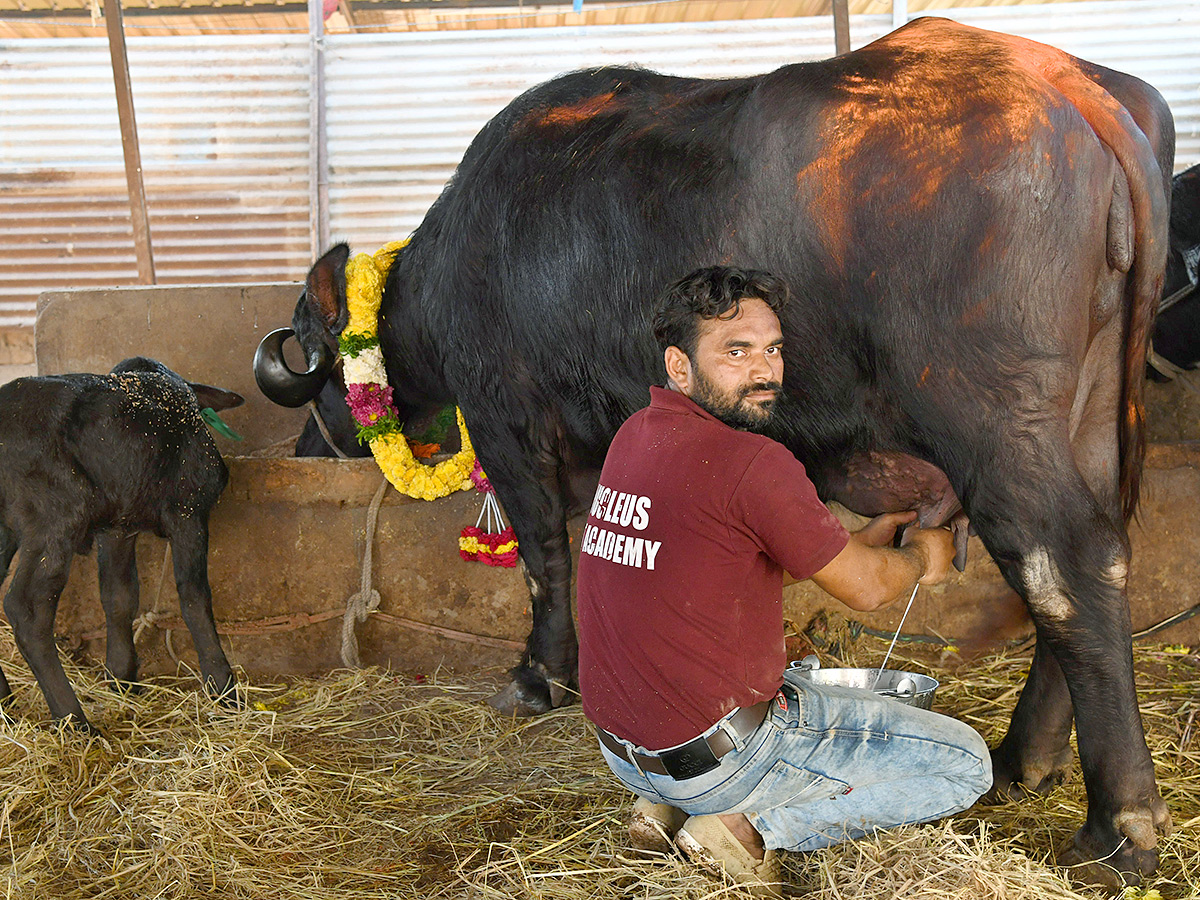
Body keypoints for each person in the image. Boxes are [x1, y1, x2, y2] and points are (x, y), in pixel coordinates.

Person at [575, 266, 993, 896]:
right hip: (722, 762)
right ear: (679, 366)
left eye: (771, 349)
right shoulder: (754, 463)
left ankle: (663, 806)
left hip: (624, 750)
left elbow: (702, 569)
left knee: (797, 676)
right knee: (965, 764)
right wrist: (920, 558)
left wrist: (847, 547)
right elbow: (869, 592)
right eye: (735, 352)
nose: (764, 371)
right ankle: (746, 827)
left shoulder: (635, 436)